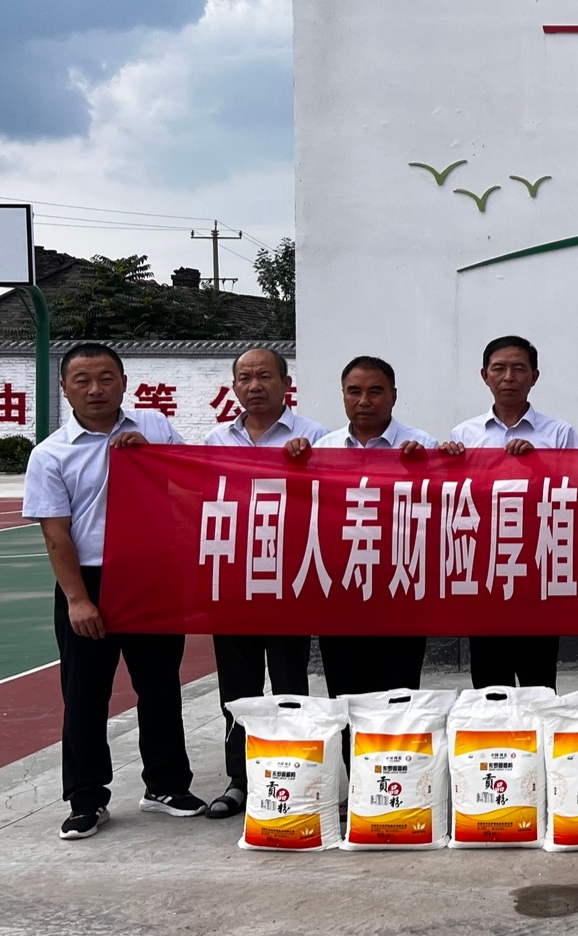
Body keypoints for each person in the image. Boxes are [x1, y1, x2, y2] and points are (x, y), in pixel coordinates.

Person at [22, 342, 205, 839]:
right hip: (89, 581)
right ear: (65, 389)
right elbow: (56, 534)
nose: (95, 389)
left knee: (160, 687)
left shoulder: (155, 427)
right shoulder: (51, 454)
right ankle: (86, 798)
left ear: (124, 382)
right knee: (85, 695)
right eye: (82, 380)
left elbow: (193, 483)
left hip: (151, 576)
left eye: (106, 378)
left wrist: (154, 457)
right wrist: (78, 599)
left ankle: (166, 786)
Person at [200, 347, 328, 821]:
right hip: (234, 579)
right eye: (245, 377)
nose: (255, 386)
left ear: (285, 384)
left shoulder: (315, 436)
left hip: (289, 580)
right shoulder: (217, 439)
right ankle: (241, 779)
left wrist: (306, 465)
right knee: (238, 688)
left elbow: (332, 501)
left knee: (291, 683)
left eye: (265, 376)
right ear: (234, 386)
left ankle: (295, 772)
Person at [285, 355, 437, 698]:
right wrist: (294, 465)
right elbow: (302, 512)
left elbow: (446, 510)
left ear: (394, 395)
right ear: (343, 395)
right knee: (345, 695)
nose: (364, 401)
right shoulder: (322, 450)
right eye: (354, 391)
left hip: (399, 588)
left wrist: (428, 469)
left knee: (398, 696)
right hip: (340, 590)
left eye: (375, 391)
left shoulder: (422, 447)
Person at [442, 335, 578, 690]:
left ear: (534, 376)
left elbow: (576, 495)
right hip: (485, 566)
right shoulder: (464, 434)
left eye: (518, 369)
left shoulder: (559, 433)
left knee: (538, 677)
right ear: (484, 375)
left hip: (538, 565)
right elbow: (457, 500)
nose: (508, 377)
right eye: (499, 369)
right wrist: (448, 465)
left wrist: (540, 464)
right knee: (489, 677)